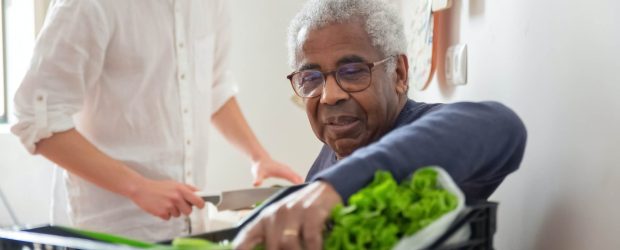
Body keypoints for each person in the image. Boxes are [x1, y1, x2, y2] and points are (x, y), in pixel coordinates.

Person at [233, 0, 527, 249]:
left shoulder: (429, 134)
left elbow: (503, 126)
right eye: (310, 79)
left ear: (399, 74)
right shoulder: (327, 159)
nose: (329, 96)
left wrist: (336, 187)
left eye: (352, 71)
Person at [11, 0, 302, 242]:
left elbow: (214, 87)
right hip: (108, 233)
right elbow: (37, 119)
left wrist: (258, 156)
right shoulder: (88, 5)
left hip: (189, 228)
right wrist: (137, 186)